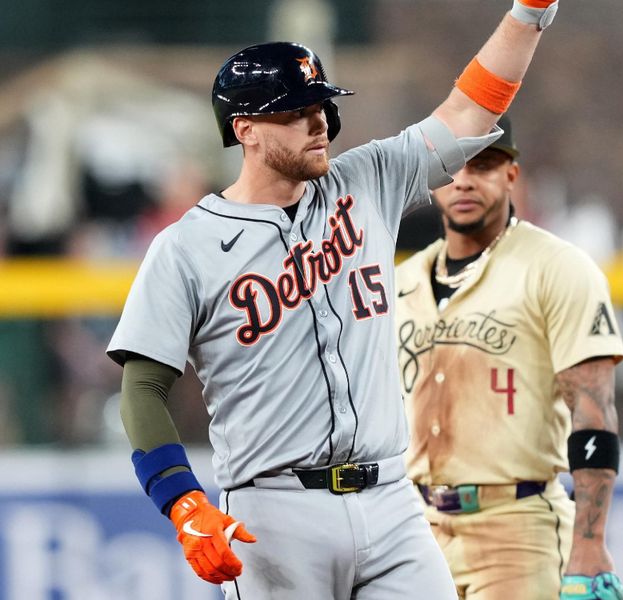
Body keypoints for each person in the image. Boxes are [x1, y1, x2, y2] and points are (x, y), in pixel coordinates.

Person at [106, 1, 562, 598]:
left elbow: (471, 109)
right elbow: (142, 389)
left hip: (393, 498)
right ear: (245, 129)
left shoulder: (368, 180)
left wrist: (528, 14)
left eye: (321, 105)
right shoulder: (186, 247)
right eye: (294, 111)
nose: (318, 121)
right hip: (274, 511)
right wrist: (182, 502)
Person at [395, 114, 623, 599]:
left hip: (517, 524)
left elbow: (594, 411)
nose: (462, 180)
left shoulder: (557, 267)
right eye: (450, 167)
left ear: (510, 174)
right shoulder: (403, 280)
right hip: (413, 527)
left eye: (482, 165)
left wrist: (589, 545)